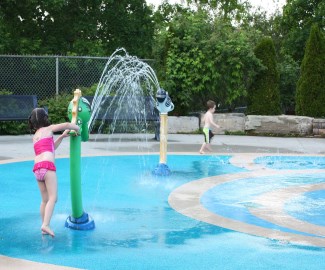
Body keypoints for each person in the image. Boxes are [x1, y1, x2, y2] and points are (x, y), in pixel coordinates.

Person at [29, 108, 80, 237]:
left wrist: (62, 136)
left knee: (44, 200)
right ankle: (46, 225)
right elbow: (67, 125)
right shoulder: (49, 128)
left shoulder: (35, 136)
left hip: (37, 169)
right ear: (45, 118)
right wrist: (78, 128)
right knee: (53, 198)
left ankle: (43, 226)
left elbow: (51, 148)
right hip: (47, 167)